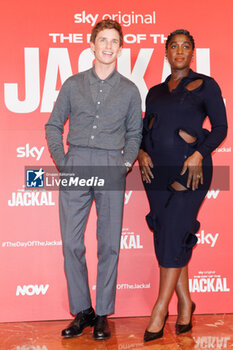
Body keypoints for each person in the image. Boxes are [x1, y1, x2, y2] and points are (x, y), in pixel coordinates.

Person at [45, 19, 142, 340]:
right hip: (77, 161)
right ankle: (82, 310)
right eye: (103, 40)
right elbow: (53, 125)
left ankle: (102, 313)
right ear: (92, 44)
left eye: (114, 41)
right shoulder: (73, 84)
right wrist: (63, 162)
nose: (108, 46)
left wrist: (125, 162)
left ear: (121, 47)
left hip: (111, 163)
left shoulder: (129, 90)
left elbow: (135, 132)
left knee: (109, 244)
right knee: (72, 242)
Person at [138, 29, 227, 342]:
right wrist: (140, 151)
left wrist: (199, 153)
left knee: (174, 231)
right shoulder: (154, 92)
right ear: (166, 52)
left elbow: (220, 128)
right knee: (168, 234)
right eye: (173, 46)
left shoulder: (206, 85)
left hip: (191, 172)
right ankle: (186, 304)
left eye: (185, 46)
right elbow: (144, 129)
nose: (179, 50)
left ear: (192, 53)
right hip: (155, 175)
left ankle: (160, 308)